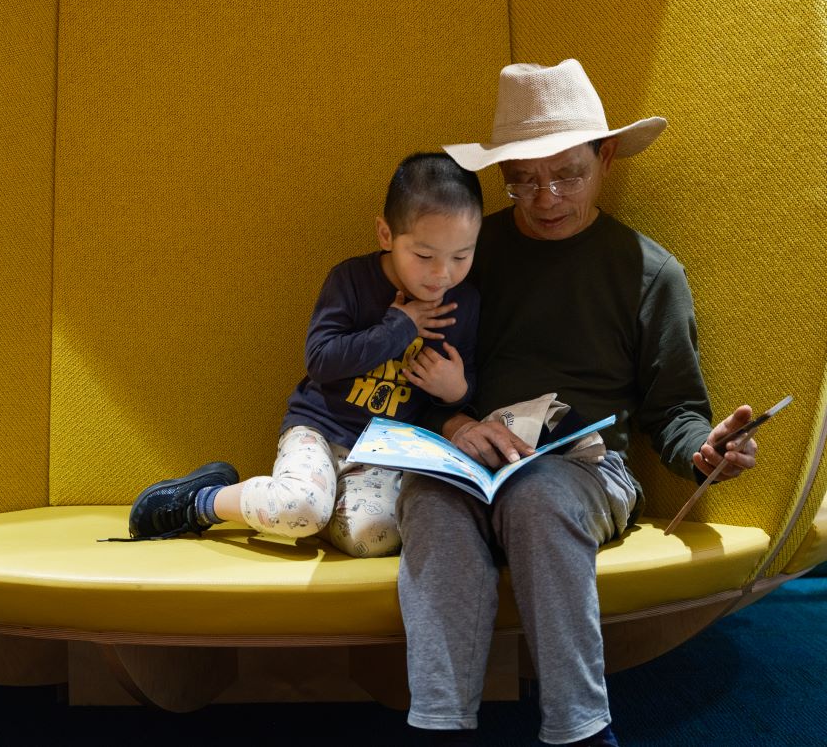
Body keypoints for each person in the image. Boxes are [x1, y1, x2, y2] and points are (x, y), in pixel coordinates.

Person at [396, 59, 760, 746]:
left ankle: (580, 731)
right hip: (474, 460)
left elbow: (675, 412)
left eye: (568, 174)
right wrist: (457, 422)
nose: (546, 197)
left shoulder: (650, 272)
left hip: (584, 470)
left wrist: (706, 452)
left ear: (607, 156)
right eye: (524, 180)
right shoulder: (468, 256)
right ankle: (439, 726)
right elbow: (415, 380)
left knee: (537, 495)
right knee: (428, 497)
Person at [116, 152, 483, 557]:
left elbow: (453, 396)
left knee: (373, 538)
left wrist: (455, 390)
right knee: (303, 507)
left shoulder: (463, 303)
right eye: (425, 256)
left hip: (382, 453)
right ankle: (202, 501)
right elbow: (321, 361)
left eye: (461, 257)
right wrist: (399, 326)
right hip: (320, 430)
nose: (442, 274)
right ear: (386, 235)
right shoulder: (352, 281)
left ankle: (313, 511)